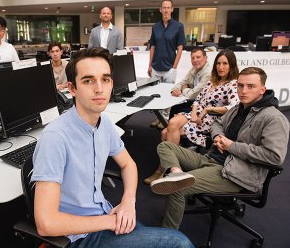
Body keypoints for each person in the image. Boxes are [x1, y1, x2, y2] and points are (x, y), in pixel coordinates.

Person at [31, 47, 194, 248]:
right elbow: (46, 224)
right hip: (77, 237)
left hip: (104, 214)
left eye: (105, 79)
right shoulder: (55, 138)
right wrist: (110, 221)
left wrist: (128, 201)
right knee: (180, 243)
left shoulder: (104, 123)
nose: (99, 88)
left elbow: (128, 165)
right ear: (72, 89)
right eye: (88, 80)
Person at [150, 66, 289, 230]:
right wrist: (217, 137)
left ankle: (168, 238)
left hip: (234, 173)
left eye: (250, 86)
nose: (243, 91)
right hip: (211, 159)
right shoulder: (239, 108)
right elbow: (217, 123)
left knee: (177, 189)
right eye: (240, 85)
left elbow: (274, 156)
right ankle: (176, 173)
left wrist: (231, 146)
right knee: (165, 145)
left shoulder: (273, 118)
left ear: (262, 89)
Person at [144, 49, 239, 185]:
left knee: (166, 132)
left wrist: (208, 109)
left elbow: (233, 107)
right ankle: (172, 170)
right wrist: (194, 112)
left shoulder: (233, 84)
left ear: (232, 65)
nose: (221, 67)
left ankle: (163, 170)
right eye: (218, 63)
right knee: (172, 123)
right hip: (196, 114)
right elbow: (198, 99)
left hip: (210, 120)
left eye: (225, 63)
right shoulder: (213, 80)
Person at [148, 0, 186, 127]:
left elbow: (180, 48)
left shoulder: (178, 26)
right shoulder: (155, 27)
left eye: (168, 7)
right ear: (160, 9)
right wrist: (149, 65)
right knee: (156, 94)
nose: (166, 10)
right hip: (156, 67)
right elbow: (152, 46)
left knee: (168, 94)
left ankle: (164, 118)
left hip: (169, 67)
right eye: (164, 7)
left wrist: (174, 67)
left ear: (172, 9)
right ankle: (158, 117)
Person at [169, 48, 211, 118]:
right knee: (174, 108)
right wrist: (175, 89)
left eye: (198, 57)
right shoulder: (194, 69)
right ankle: (170, 127)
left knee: (177, 110)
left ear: (205, 58)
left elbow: (193, 94)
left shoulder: (208, 73)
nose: (195, 60)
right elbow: (183, 82)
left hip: (203, 106)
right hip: (194, 102)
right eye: (193, 58)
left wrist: (183, 89)